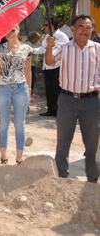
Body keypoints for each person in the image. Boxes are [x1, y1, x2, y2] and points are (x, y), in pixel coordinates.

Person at [45, 15, 100, 183]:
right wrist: (49, 47)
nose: (84, 30)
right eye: (81, 26)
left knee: (93, 142)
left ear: (92, 30)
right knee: (63, 139)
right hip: (67, 100)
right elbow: (50, 61)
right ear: (73, 29)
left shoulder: (98, 49)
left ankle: (93, 178)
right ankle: (62, 176)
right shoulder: (64, 47)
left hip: (92, 101)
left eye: (88, 27)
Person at [0, 25, 33, 165]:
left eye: (13, 30)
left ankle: (19, 157)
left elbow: (28, 71)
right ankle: (3, 156)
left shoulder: (26, 49)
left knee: (19, 124)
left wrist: (30, 89)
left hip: (21, 88)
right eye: (7, 30)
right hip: (3, 88)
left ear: (18, 30)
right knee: (3, 124)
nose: (10, 33)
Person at [32, 19, 69, 117]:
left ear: (52, 26)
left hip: (57, 67)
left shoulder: (62, 36)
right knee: (49, 89)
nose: (44, 27)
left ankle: (59, 110)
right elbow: (43, 49)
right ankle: (51, 109)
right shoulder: (47, 37)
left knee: (57, 89)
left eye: (46, 25)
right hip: (47, 67)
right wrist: (32, 50)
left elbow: (62, 51)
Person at [24, 31, 42, 99]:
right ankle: (30, 92)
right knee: (31, 79)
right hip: (30, 64)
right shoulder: (28, 44)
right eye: (36, 38)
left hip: (31, 64)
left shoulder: (27, 43)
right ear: (33, 38)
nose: (37, 40)